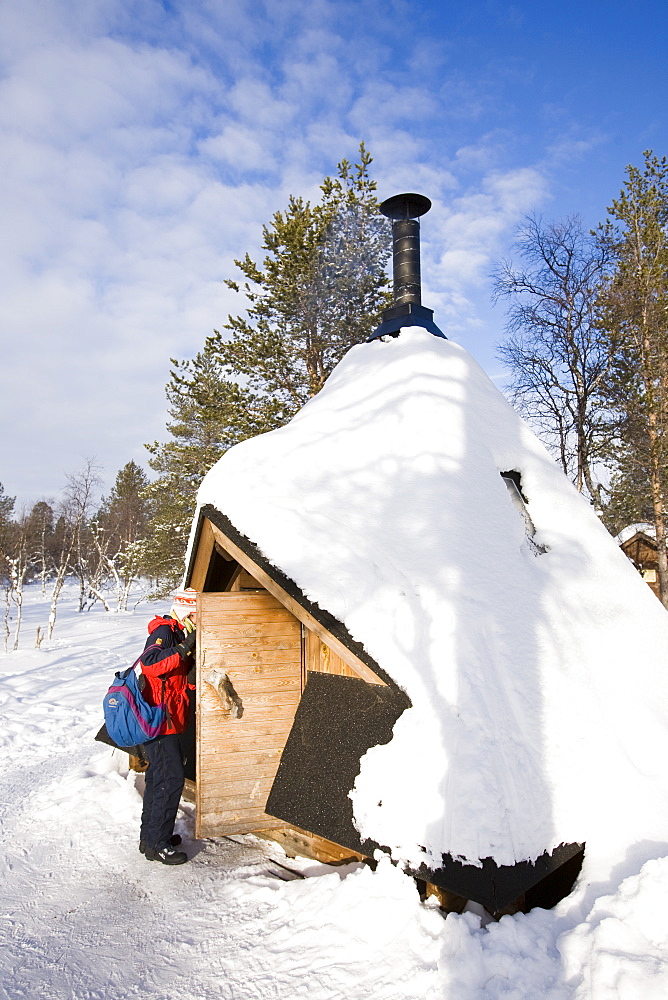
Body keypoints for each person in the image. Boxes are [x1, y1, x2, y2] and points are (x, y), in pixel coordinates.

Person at [138, 587, 197, 865]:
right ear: (186, 610)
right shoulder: (165, 631)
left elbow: (175, 680)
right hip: (160, 720)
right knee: (169, 780)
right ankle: (158, 844)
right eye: (196, 613)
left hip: (169, 719)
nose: (198, 619)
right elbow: (150, 664)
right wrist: (184, 648)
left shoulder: (178, 633)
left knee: (157, 779)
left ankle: (150, 838)